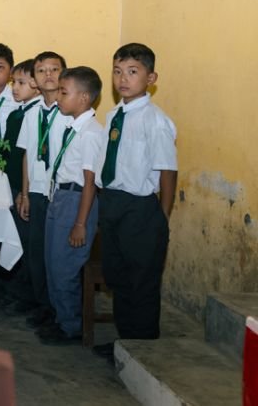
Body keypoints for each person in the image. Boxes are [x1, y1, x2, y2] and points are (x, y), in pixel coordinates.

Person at [94, 44, 177, 360]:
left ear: (150, 78)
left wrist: (161, 217)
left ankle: (143, 352)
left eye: (132, 72)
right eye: (117, 72)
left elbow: (167, 170)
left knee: (142, 280)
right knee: (118, 277)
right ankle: (125, 344)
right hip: (112, 202)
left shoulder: (155, 120)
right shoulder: (114, 115)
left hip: (140, 208)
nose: (123, 79)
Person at [38, 66, 105, 345]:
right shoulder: (73, 126)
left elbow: (90, 182)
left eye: (64, 93)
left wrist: (80, 223)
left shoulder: (91, 133)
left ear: (84, 98)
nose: (58, 97)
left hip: (77, 201)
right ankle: (60, 317)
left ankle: (71, 326)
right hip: (62, 197)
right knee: (53, 263)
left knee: (66, 267)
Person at [17, 51, 68, 329]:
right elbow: (27, 154)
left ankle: (61, 312)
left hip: (60, 193)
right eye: (41, 71)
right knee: (37, 253)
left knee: (57, 257)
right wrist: (25, 193)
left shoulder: (71, 111)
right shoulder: (32, 113)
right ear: (34, 79)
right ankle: (44, 307)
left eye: (54, 69)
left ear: (64, 74)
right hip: (36, 191)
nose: (48, 75)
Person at [2, 59, 41, 311]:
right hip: (12, 184)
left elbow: (29, 157)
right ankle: (14, 290)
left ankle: (28, 295)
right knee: (14, 238)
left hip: (25, 187)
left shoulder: (37, 114)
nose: (14, 88)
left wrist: (23, 191)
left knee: (27, 242)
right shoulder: (17, 114)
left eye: (21, 83)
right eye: (13, 82)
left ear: (36, 85)